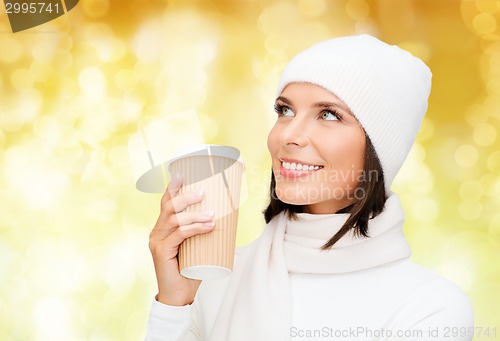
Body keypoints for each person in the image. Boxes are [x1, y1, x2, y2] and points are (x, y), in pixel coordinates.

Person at [145, 34, 474, 341]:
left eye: (329, 115)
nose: (288, 135)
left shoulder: (430, 307)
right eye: (285, 110)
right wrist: (174, 305)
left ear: (379, 150)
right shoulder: (214, 278)